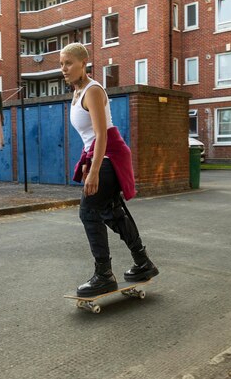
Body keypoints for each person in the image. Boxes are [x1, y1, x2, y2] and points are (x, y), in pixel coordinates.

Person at [60, 42, 159, 297]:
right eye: (61, 64)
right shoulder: (77, 92)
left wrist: (93, 171)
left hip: (109, 153)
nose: (64, 68)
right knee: (111, 211)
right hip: (100, 154)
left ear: (84, 63)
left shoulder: (92, 90)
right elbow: (89, 137)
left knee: (88, 210)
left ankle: (104, 275)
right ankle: (143, 262)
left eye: (68, 63)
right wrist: (88, 163)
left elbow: (101, 134)